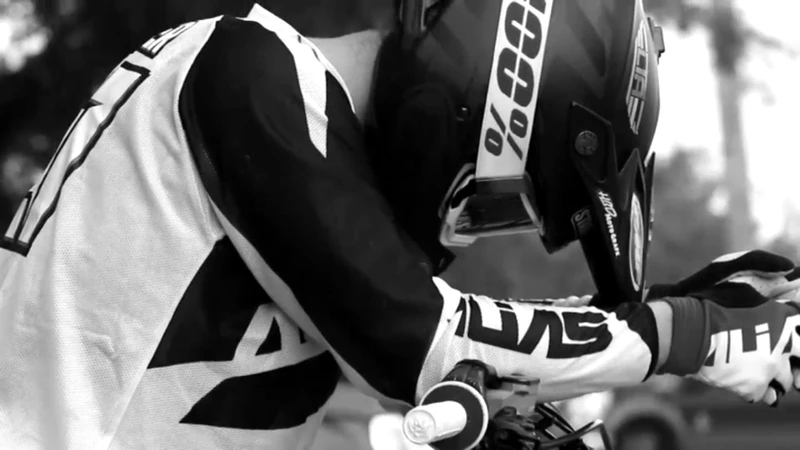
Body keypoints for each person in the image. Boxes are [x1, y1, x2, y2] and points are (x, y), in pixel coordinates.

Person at [0, 1, 798, 449]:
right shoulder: (246, 72)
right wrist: (685, 333)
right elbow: (421, 338)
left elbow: (407, 370)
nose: (466, 234)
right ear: (504, 84)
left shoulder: (298, 169)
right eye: (501, 202)